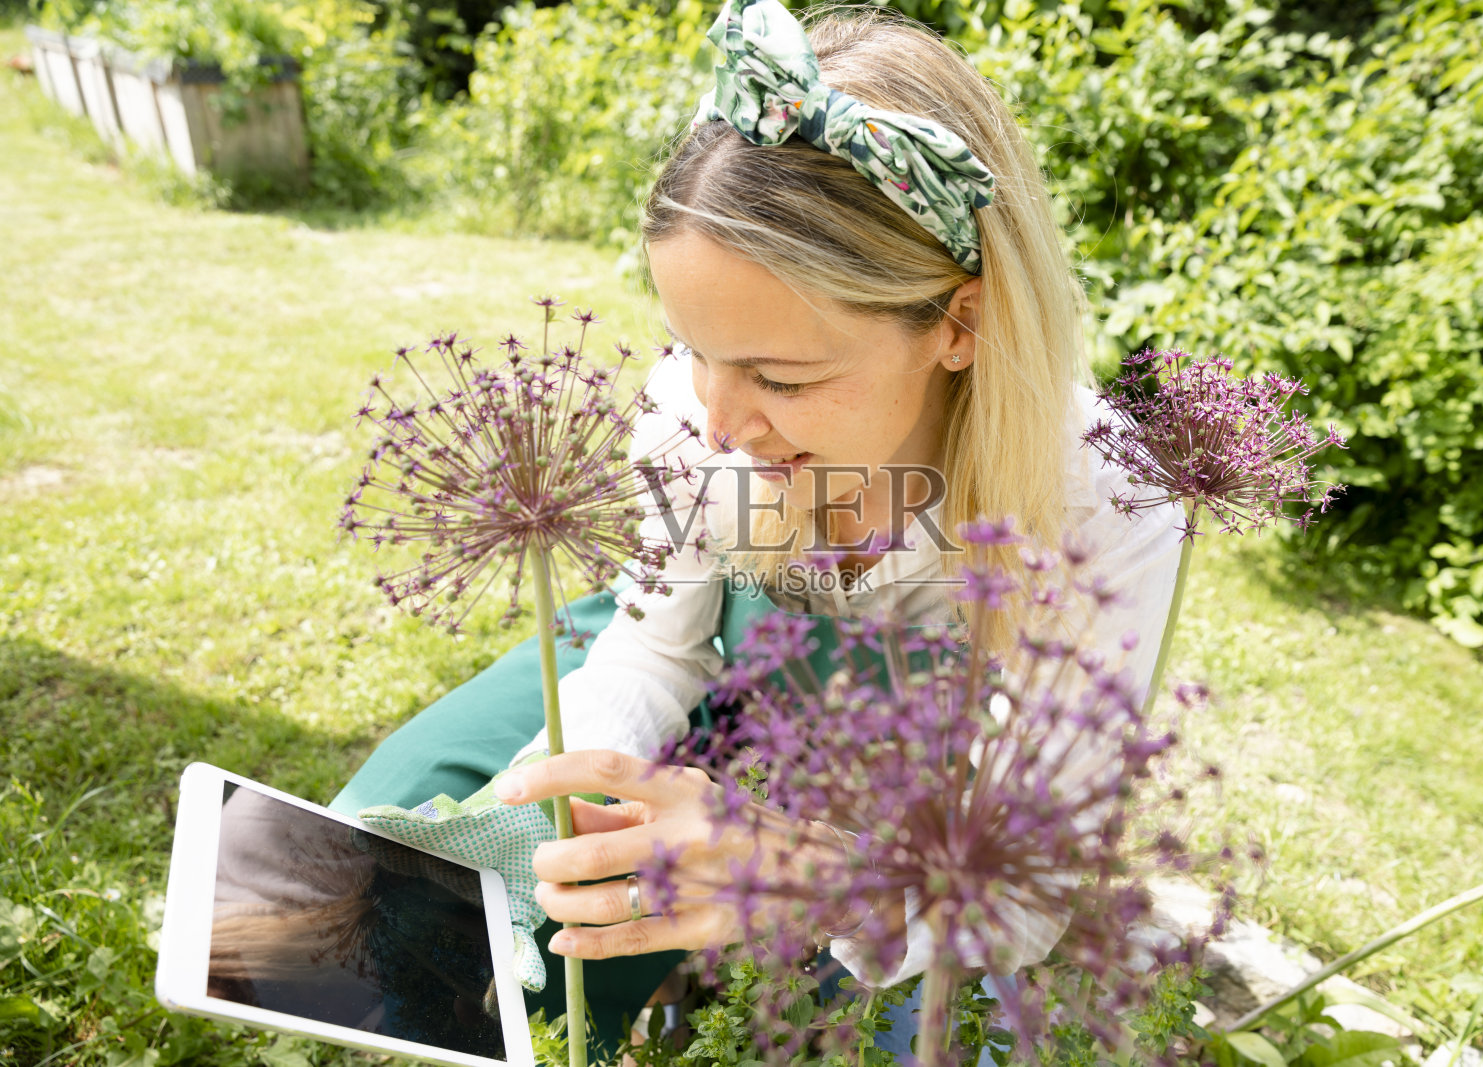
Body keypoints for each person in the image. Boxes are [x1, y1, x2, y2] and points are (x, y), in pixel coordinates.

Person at [331, 0, 1183, 1058]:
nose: (721, 420)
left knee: (925, 1018)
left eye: (781, 374)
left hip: (909, 740)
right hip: (707, 640)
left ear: (960, 324)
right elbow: (650, 646)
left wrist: (811, 870)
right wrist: (539, 803)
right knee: (399, 838)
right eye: (693, 348)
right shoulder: (697, 416)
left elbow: (1032, 884)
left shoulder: (1105, 498)